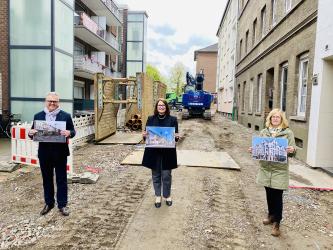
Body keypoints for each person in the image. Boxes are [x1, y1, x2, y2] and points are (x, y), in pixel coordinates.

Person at [249, 108, 296, 237]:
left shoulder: (288, 133)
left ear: (282, 119)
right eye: (273, 117)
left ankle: (277, 223)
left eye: (278, 117)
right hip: (265, 168)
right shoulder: (264, 132)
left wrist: (292, 150)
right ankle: (270, 216)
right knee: (269, 194)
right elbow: (259, 148)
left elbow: (293, 150)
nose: (275, 119)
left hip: (279, 170)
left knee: (277, 196)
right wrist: (253, 150)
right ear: (270, 119)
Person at [28, 92, 76, 216]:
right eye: (50, 101)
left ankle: (62, 205)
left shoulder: (65, 116)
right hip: (44, 153)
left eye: (55, 101)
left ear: (58, 102)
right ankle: (49, 203)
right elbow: (32, 132)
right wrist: (30, 133)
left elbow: (73, 131)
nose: (52, 103)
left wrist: (69, 133)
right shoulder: (38, 115)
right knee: (47, 179)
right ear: (46, 101)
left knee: (61, 179)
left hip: (60, 153)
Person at [142, 98, 179, 208]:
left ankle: (167, 195)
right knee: (156, 174)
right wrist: (144, 136)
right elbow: (147, 137)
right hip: (154, 152)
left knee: (167, 175)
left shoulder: (173, 119)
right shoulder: (150, 119)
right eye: (159, 105)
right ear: (156, 107)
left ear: (166, 107)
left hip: (168, 152)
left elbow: (175, 137)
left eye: (163, 105)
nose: (161, 107)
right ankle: (158, 195)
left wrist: (176, 137)